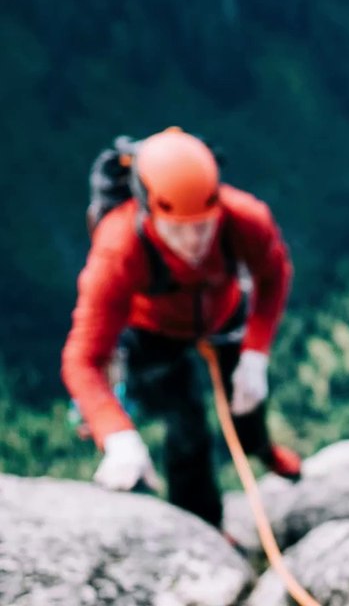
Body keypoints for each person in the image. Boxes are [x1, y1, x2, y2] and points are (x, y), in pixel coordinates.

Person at [62, 127, 302, 529]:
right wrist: (117, 435)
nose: (194, 241)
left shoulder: (243, 218)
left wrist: (256, 355)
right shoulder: (118, 249)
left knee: (247, 401)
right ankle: (205, 528)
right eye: (178, 228)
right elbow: (82, 359)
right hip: (154, 334)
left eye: (203, 225)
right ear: (148, 210)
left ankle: (261, 449)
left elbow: (273, 276)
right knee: (186, 427)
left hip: (223, 315)